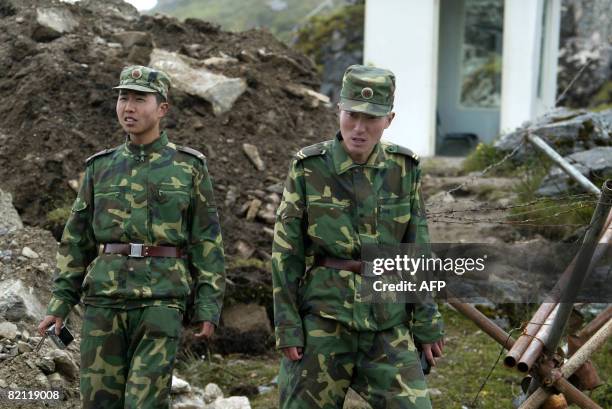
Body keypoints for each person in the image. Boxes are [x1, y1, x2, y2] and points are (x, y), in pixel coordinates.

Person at [37, 65, 225, 408]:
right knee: (98, 401)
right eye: (124, 98)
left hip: (161, 301)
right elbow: (76, 241)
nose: (129, 107)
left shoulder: (189, 167)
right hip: (104, 302)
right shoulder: (99, 167)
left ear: (163, 108)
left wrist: (209, 305)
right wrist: (60, 303)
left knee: (146, 403)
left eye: (140, 99)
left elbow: (207, 242)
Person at [272, 65, 444, 409]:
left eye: (372, 118)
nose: (360, 128)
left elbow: (417, 249)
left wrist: (426, 320)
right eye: (352, 115)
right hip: (323, 321)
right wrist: (287, 326)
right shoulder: (308, 167)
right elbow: (286, 252)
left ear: (389, 119)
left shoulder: (404, 168)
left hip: (387, 322)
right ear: (339, 111)